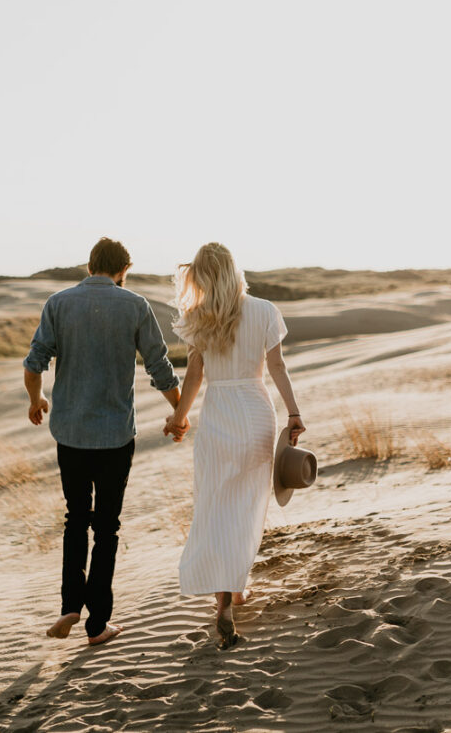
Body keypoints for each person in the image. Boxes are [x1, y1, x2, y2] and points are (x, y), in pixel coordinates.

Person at [23, 237, 186, 646]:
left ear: (90, 264)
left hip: (71, 434)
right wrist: (179, 412)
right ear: (122, 270)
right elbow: (159, 366)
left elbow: (33, 362)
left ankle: (69, 606)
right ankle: (98, 625)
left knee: (75, 519)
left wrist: (36, 399)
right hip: (115, 436)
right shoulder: (134, 305)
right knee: (107, 528)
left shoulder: (58, 303)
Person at [163, 242, 305, 648]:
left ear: (203, 276)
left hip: (219, 414)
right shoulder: (264, 310)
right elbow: (276, 366)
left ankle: (223, 599)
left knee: (216, 504)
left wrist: (178, 418)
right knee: (247, 506)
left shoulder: (199, 315)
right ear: (234, 269)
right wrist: (294, 413)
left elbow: (193, 376)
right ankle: (236, 589)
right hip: (256, 412)